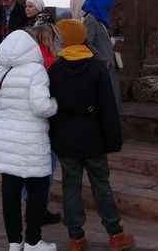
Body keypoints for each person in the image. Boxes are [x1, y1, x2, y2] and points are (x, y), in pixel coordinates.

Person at [48, 20, 135, 251]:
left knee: (70, 187)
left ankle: (76, 238)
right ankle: (115, 234)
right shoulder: (96, 67)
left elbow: (51, 108)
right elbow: (108, 107)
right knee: (101, 186)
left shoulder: (55, 69)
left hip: (66, 139)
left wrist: (54, 136)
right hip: (93, 137)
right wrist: (113, 139)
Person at [0, 30, 58, 251]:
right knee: (37, 191)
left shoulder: (0, 72)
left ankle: (14, 243)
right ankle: (34, 242)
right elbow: (41, 107)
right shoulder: (36, 71)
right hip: (31, 141)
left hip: (5, 140)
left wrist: (9, 117)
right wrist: (55, 104)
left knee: (10, 193)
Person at [25, 25, 62, 226]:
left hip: (24, 120)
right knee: (47, 163)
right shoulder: (51, 61)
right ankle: (39, 208)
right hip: (45, 118)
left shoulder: (23, 60)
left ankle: (28, 201)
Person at [81, 0, 122, 112]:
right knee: (108, 99)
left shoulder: (98, 20)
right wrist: (102, 60)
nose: (109, 10)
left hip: (107, 65)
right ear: (100, 5)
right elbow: (87, 42)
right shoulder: (91, 20)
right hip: (103, 66)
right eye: (107, 7)